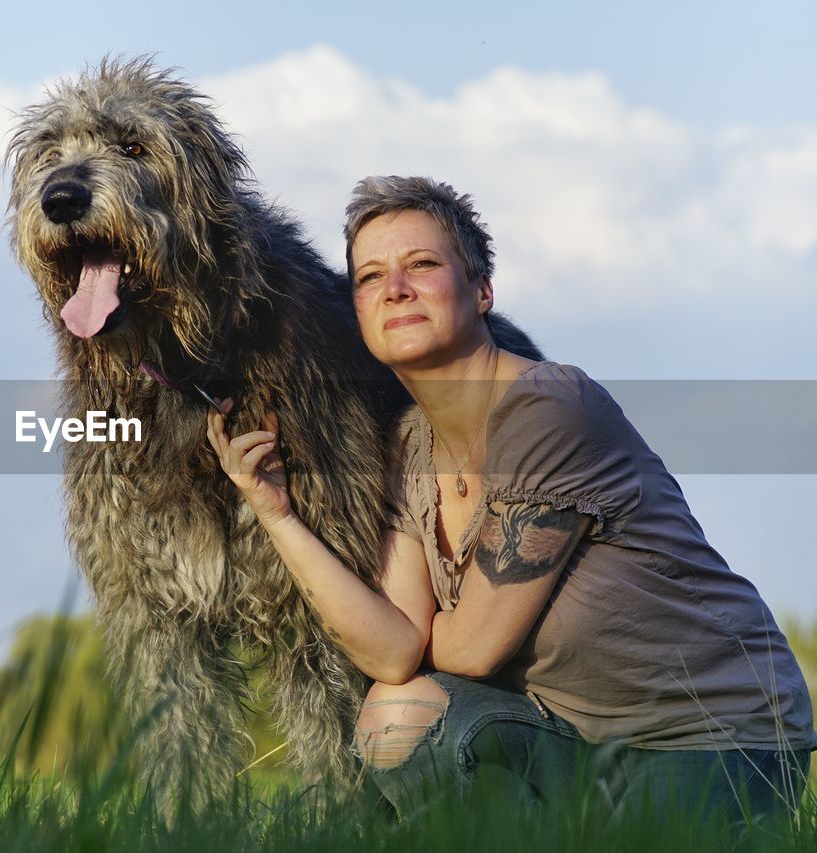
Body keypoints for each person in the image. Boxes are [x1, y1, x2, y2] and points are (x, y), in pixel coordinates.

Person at [204, 175, 816, 823]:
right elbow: (390, 654)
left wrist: (413, 638)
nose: (396, 288)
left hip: (713, 737)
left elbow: (472, 650)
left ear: (483, 290)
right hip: (575, 737)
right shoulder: (411, 446)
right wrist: (276, 513)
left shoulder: (550, 408)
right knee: (396, 714)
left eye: (423, 264)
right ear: (356, 309)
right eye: (370, 276)